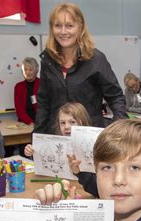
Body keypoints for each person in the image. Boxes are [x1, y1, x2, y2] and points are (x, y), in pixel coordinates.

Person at [34, 3, 127, 132]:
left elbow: (115, 97)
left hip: (89, 135)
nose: (63, 31)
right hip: (58, 135)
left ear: (80, 27)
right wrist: (37, 137)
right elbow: (44, 104)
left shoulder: (96, 59)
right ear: (52, 28)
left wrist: (120, 130)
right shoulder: (48, 61)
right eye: (58, 26)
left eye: (69, 26)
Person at [24, 102, 91, 158]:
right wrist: (31, 152)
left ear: (83, 122)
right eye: (62, 123)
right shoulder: (54, 144)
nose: (66, 127)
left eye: (72, 122)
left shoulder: (91, 145)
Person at [14, 57, 40, 125]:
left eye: (30, 70)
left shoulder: (43, 84)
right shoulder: (18, 87)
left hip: (41, 123)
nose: (27, 72)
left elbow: (46, 107)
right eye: (25, 70)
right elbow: (19, 109)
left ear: (36, 71)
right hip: (24, 123)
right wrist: (30, 122)